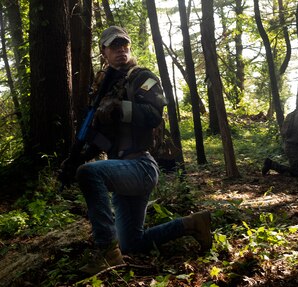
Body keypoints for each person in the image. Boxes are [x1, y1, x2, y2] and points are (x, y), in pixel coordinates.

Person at [61, 26, 212, 274]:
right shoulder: (104, 86)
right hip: (122, 169)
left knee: (90, 174)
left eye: (124, 44)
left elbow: (153, 115)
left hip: (141, 166)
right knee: (132, 242)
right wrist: (75, 159)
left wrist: (121, 107)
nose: (121, 49)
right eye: (114, 46)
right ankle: (192, 223)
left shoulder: (143, 77)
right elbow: (106, 140)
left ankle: (107, 253)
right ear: (104, 52)